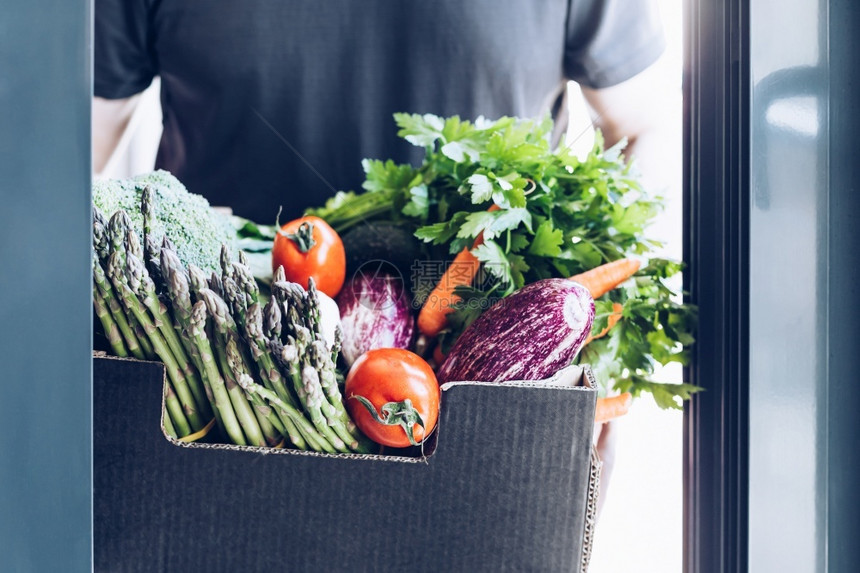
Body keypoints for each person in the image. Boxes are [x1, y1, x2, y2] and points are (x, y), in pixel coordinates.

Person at [93, 0, 675, 516]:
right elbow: (67, 150)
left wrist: (566, 334)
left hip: (487, 428)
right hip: (220, 403)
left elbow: (645, 124)